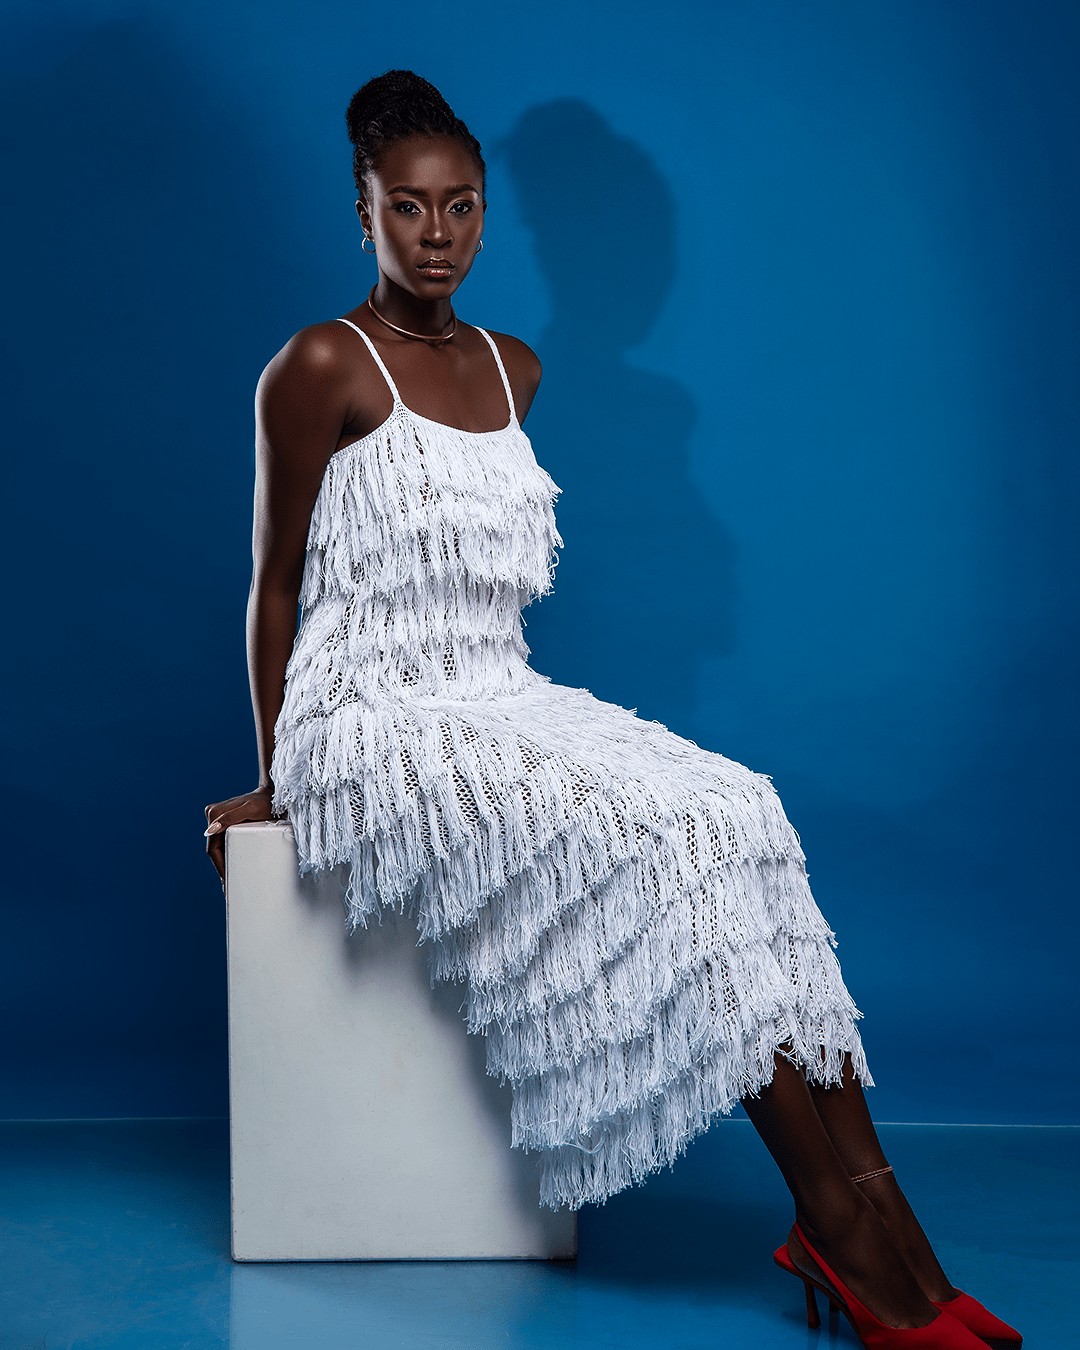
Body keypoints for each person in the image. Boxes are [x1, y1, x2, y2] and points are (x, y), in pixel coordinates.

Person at [204, 70, 1020, 1350]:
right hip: (375, 712)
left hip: (499, 688)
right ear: (361, 214)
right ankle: (847, 1235)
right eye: (407, 207)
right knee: (673, 839)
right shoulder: (318, 365)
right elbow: (274, 583)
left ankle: (877, 1212)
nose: (436, 233)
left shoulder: (515, 369)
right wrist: (275, 773)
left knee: (739, 808)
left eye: (461, 207)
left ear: (486, 214)